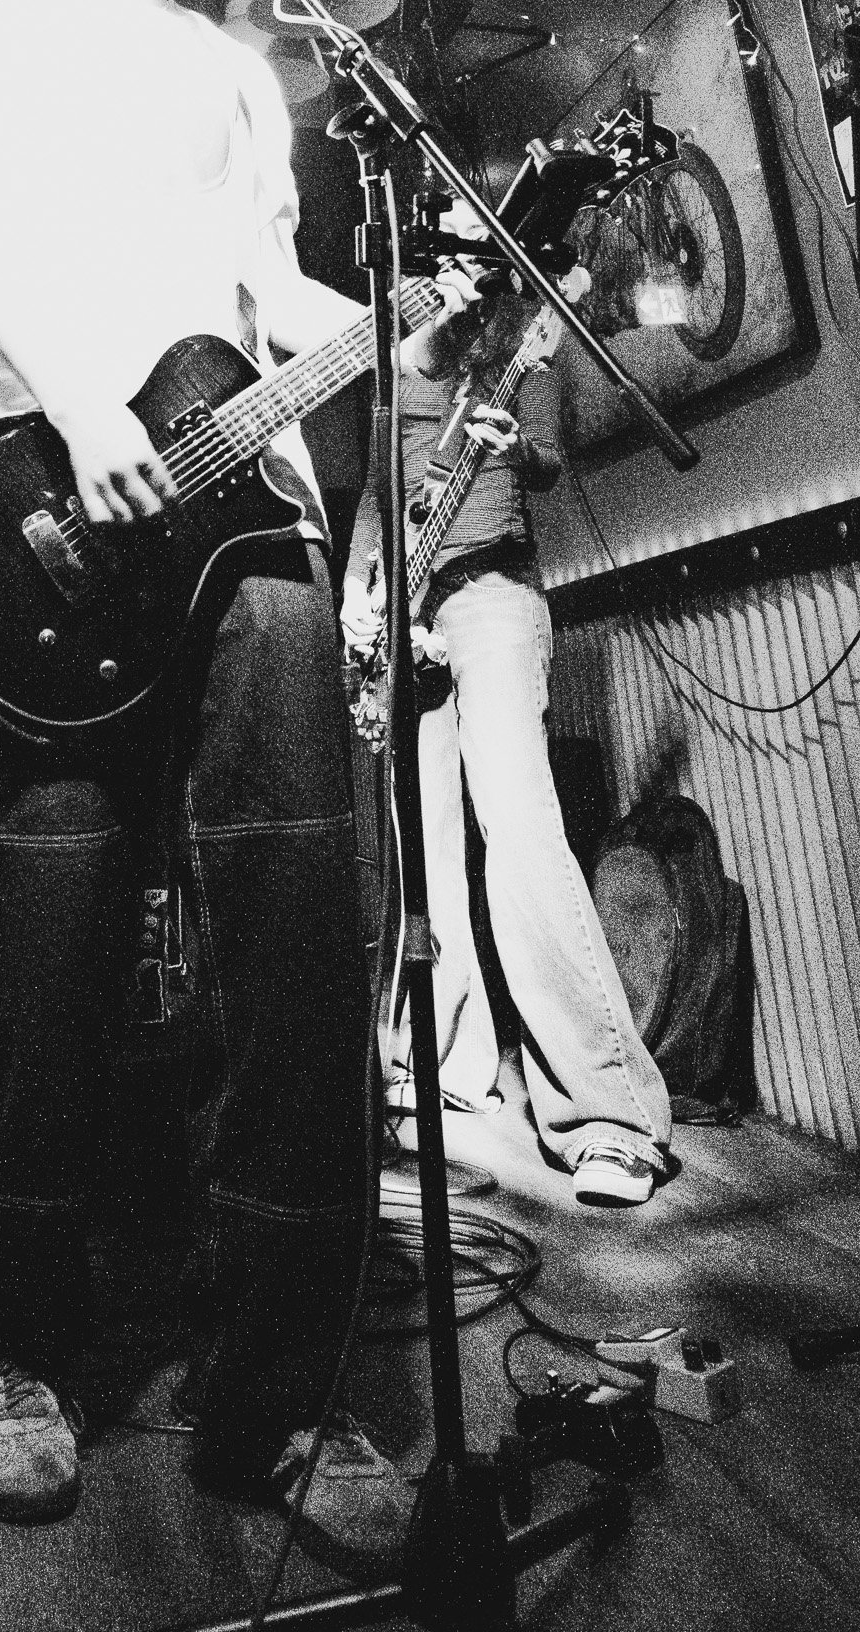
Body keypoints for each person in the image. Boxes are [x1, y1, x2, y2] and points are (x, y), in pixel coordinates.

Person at [0, 0, 476, 1571]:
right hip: (41, 509)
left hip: (253, 519)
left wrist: (399, 311)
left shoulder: (237, 64)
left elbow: (268, 283)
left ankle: (276, 1381)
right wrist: (72, 397)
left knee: (298, 933)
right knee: (45, 933)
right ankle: (20, 1350)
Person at [341, 267, 672, 1205]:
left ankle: (610, 1117)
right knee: (427, 847)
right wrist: (360, 592)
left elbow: (552, 461)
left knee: (521, 834)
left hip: (493, 590)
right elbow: (378, 486)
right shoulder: (388, 345)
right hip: (407, 606)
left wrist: (514, 441)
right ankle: (447, 1068)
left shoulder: (523, 329)